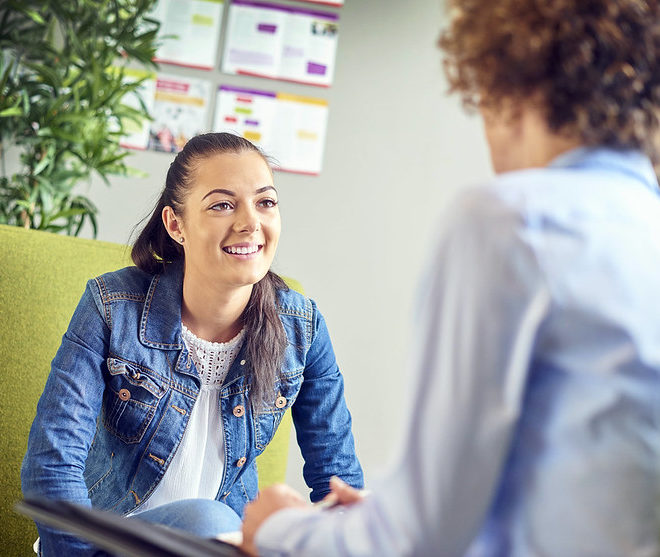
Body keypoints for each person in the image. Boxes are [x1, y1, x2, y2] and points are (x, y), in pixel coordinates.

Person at [240, 1, 660, 555]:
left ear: (506, 86)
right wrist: (390, 515)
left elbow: (416, 541)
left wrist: (275, 526)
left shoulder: (513, 221)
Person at [21, 132, 363, 555]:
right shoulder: (112, 307)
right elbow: (52, 463)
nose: (249, 223)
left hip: (218, 548)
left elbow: (338, 479)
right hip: (104, 544)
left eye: (266, 202)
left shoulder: (302, 328)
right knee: (209, 520)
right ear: (175, 224)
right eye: (222, 204)